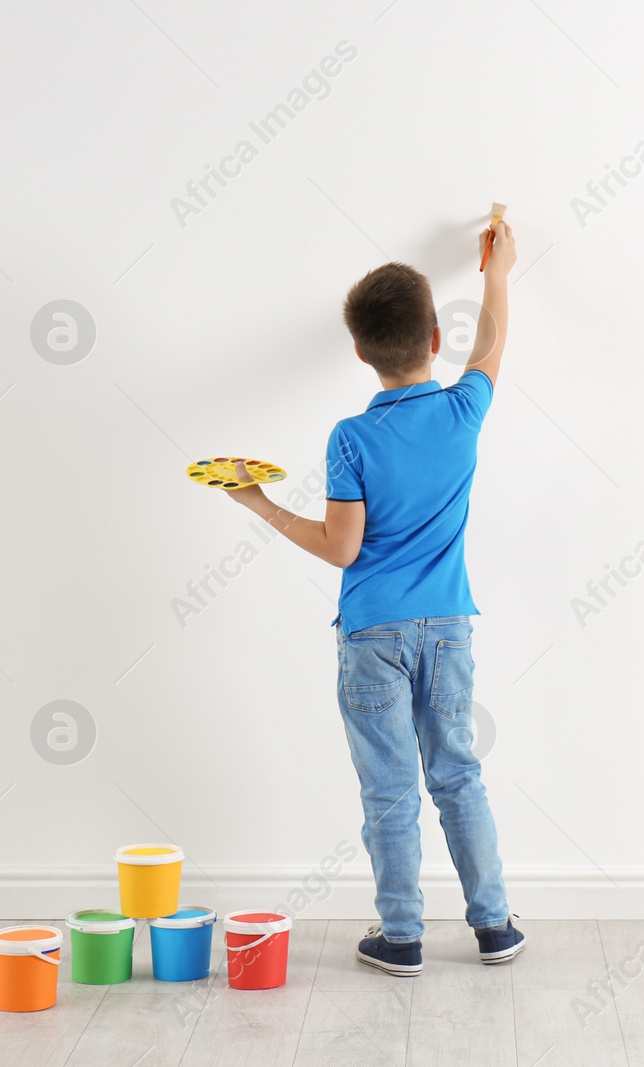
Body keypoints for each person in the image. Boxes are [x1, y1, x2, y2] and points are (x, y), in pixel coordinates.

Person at [221, 219, 523, 976]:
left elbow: (342, 548)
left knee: (390, 784)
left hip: (372, 636)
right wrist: (497, 269)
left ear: (359, 351)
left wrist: (259, 502)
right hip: (450, 628)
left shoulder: (351, 438)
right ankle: (494, 926)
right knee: (458, 772)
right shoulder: (465, 410)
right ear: (433, 335)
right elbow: (492, 341)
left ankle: (403, 936)